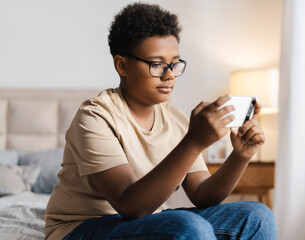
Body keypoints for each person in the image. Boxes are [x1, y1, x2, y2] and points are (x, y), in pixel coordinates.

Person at [44, 2, 277, 240]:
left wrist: (240, 156)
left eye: (175, 64)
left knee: (257, 215)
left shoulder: (175, 119)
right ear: (122, 65)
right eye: (157, 64)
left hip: (148, 221)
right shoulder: (94, 118)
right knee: (189, 227)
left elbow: (202, 194)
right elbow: (130, 205)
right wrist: (194, 142)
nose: (170, 75)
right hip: (82, 228)